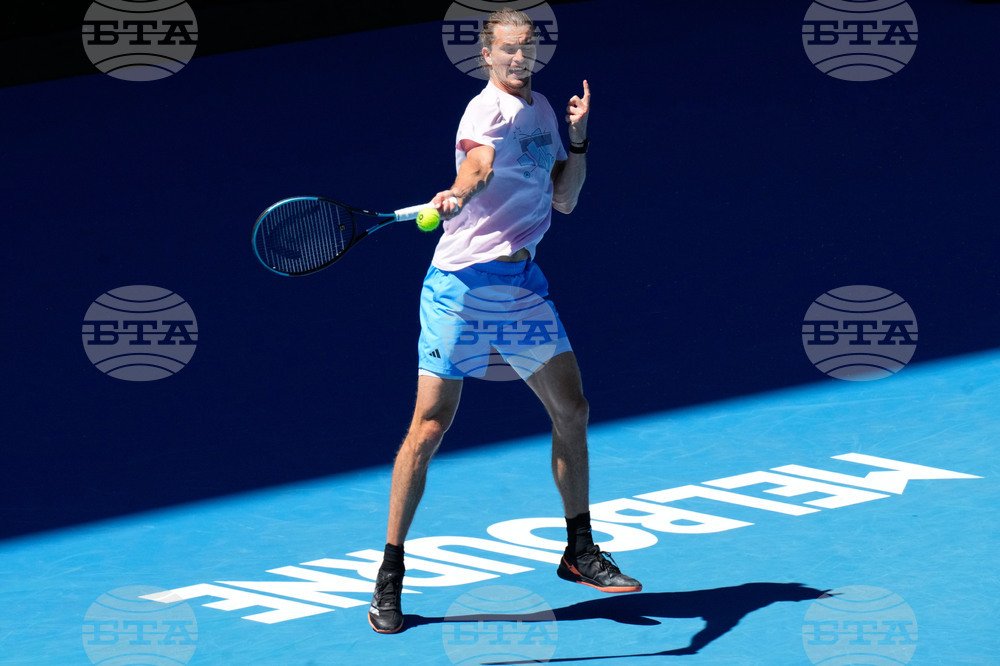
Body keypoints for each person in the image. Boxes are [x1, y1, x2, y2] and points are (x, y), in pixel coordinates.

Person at [368, 8, 641, 634]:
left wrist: (579, 138)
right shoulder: (483, 112)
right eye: (508, 50)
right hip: (461, 288)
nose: (520, 59)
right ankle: (390, 573)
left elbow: (565, 198)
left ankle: (578, 550)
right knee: (430, 426)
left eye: (528, 48)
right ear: (486, 55)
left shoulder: (544, 110)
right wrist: (459, 195)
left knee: (572, 410)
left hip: (520, 286)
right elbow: (479, 165)